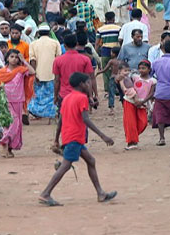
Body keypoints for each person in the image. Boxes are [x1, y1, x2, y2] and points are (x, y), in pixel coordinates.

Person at [39, 72, 116, 206]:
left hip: (70, 136)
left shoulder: (67, 98)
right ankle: (46, 193)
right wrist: (103, 136)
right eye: (88, 83)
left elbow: (61, 120)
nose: (90, 85)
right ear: (82, 84)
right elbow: (86, 119)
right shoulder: (81, 98)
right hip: (75, 137)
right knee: (65, 166)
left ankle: (100, 193)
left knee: (91, 161)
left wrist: (57, 139)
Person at [52, 34, 96, 110]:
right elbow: (89, 79)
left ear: (64, 46)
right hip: (81, 95)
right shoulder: (85, 59)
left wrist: (55, 96)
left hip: (64, 95)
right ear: (76, 44)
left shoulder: (58, 60)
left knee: (64, 118)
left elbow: (57, 81)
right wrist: (91, 96)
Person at [117, 61, 154, 150]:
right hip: (129, 100)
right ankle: (131, 142)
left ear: (149, 69)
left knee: (143, 122)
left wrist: (143, 101)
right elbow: (121, 79)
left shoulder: (152, 81)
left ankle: (132, 136)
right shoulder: (134, 77)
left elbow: (151, 93)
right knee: (130, 122)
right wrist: (119, 77)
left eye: (143, 68)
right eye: (140, 68)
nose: (141, 70)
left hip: (142, 103)